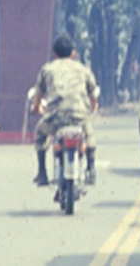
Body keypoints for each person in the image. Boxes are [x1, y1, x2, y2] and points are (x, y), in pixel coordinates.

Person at [31, 34, 99, 186]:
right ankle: (91, 167)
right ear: (73, 53)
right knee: (89, 135)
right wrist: (93, 108)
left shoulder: (47, 69)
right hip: (79, 117)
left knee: (40, 133)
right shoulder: (83, 70)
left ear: (54, 53)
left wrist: (35, 108)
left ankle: (42, 172)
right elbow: (92, 95)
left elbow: (38, 94)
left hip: (55, 118)